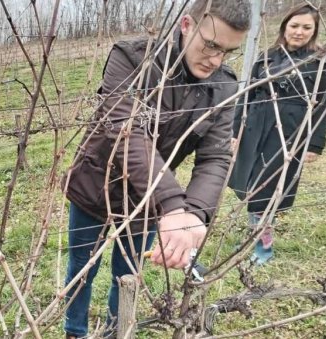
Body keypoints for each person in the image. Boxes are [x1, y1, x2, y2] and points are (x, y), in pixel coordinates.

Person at [62, 0, 251, 337]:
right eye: (211, 45)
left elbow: (215, 156)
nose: (216, 60)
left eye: (228, 51)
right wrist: (173, 205)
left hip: (147, 204)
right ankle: (74, 331)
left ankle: (116, 330)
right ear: (186, 25)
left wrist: (193, 213)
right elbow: (125, 131)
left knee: (128, 271)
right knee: (81, 269)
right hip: (94, 187)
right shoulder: (133, 59)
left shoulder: (222, 85)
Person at [229, 3, 326, 265]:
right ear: (284, 27)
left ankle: (263, 249)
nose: (299, 32)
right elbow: (248, 94)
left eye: (306, 27)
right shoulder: (268, 55)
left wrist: (315, 143)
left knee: (267, 190)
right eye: (294, 26)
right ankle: (255, 233)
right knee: (247, 183)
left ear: (314, 30)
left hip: (288, 130)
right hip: (255, 123)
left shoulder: (322, 58)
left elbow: (325, 101)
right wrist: (236, 130)